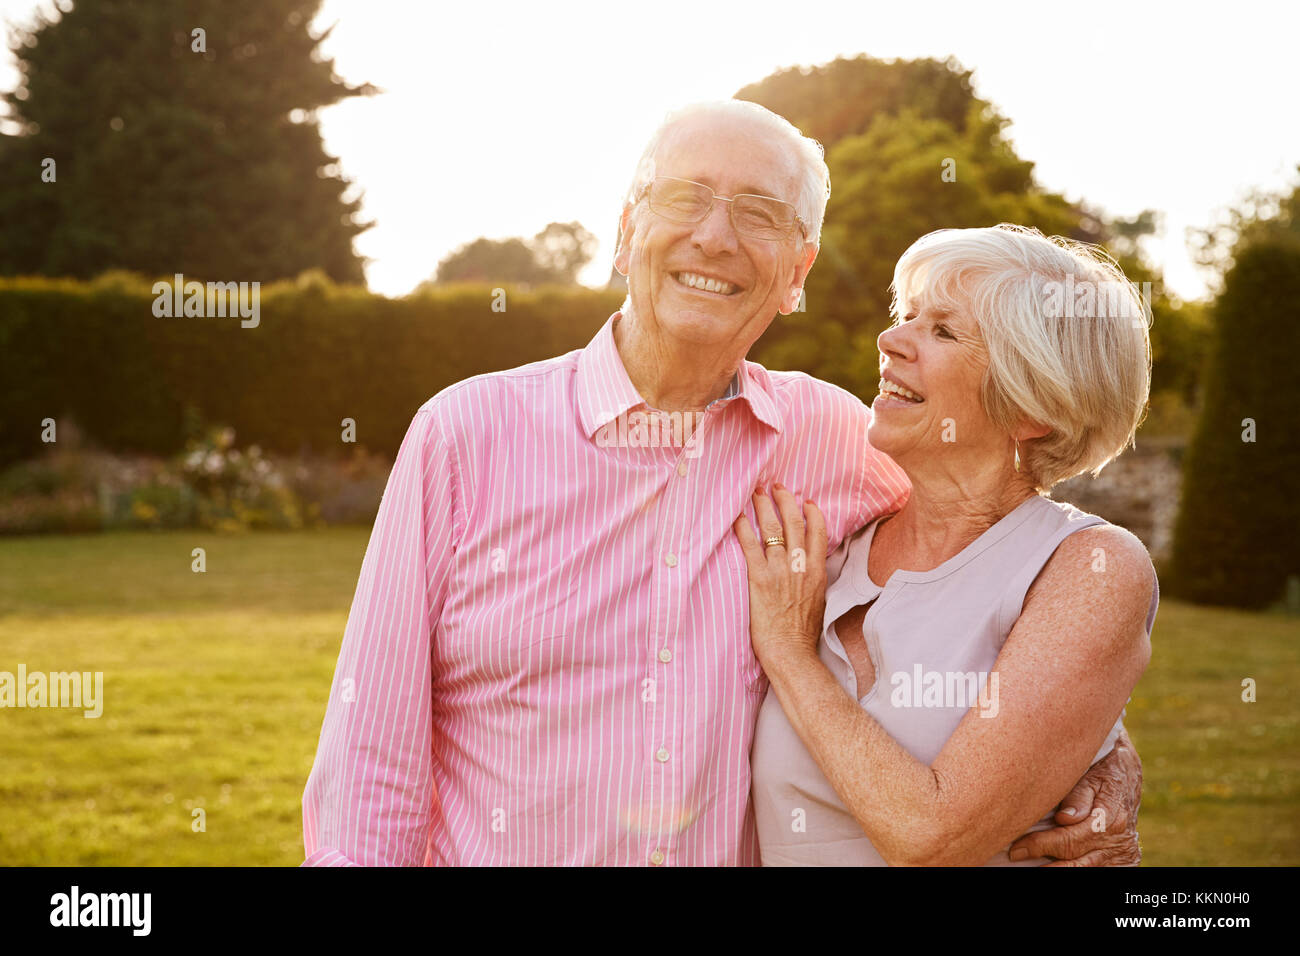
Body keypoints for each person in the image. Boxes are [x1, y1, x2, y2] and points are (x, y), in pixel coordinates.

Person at [302, 102, 1144, 866]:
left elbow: (1001, 565)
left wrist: (1095, 755)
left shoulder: (839, 441)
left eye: (759, 215)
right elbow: (372, 748)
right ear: (627, 230)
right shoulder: (465, 434)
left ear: (797, 271)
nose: (714, 237)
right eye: (685, 199)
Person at [739, 224, 1157, 865]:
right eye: (906, 316)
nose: (888, 340)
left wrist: (791, 657)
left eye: (942, 330)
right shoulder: (835, 526)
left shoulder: (1090, 567)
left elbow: (932, 837)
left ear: (1031, 405)